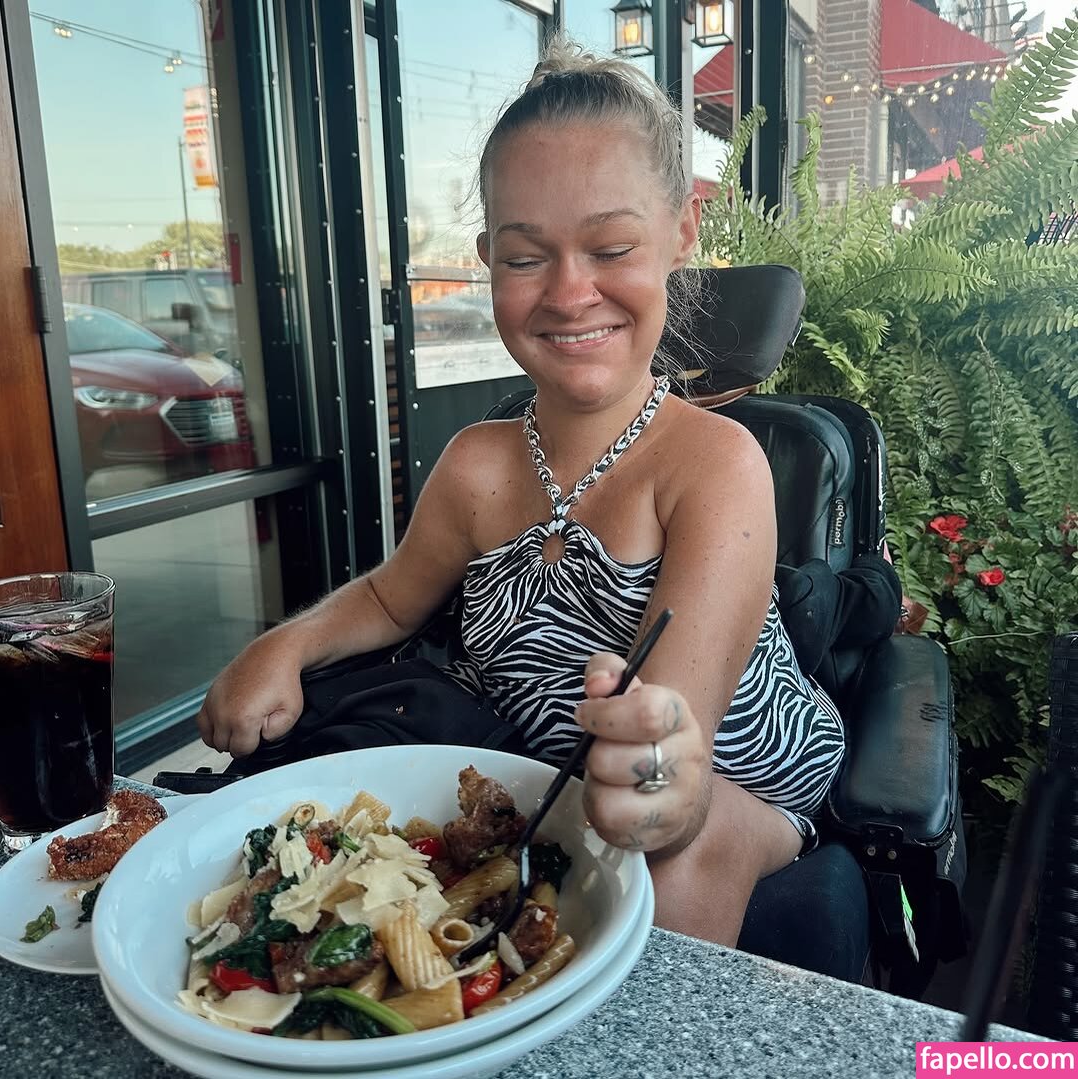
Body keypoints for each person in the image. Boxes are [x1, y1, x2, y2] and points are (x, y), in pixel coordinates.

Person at [197, 38, 847, 947]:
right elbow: (390, 598)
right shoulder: (476, 464)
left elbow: (671, 749)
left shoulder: (716, 466)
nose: (570, 293)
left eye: (611, 247)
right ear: (487, 261)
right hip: (539, 766)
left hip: (733, 778)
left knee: (664, 853)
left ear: (681, 234)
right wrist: (287, 643)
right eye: (524, 257)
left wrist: (655, 783)